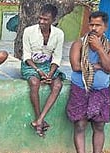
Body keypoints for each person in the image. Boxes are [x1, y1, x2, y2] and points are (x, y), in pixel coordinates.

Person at [66, 11, 110, 153]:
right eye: (92, 25)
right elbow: (75, 66)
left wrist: (99, 50)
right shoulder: (78, 44)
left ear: (105, 27)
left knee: (99, 125)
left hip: (101, 91)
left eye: (98, 25)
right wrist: (97, 66)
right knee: (80, 125)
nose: (94, 28)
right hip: (80, 89)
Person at [21, 4, 65, 138]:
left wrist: (50, 73)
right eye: (40, 18)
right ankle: (39, 117)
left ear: (53, 20)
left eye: (45, 19)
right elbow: (26, 56)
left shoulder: (59, 34)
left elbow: (57, 57)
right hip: (31, 65)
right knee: (34, 83)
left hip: (48, 65)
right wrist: (38, 71)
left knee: (57, 85)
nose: (41, 22)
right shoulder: (29, 31)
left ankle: (40, 120)